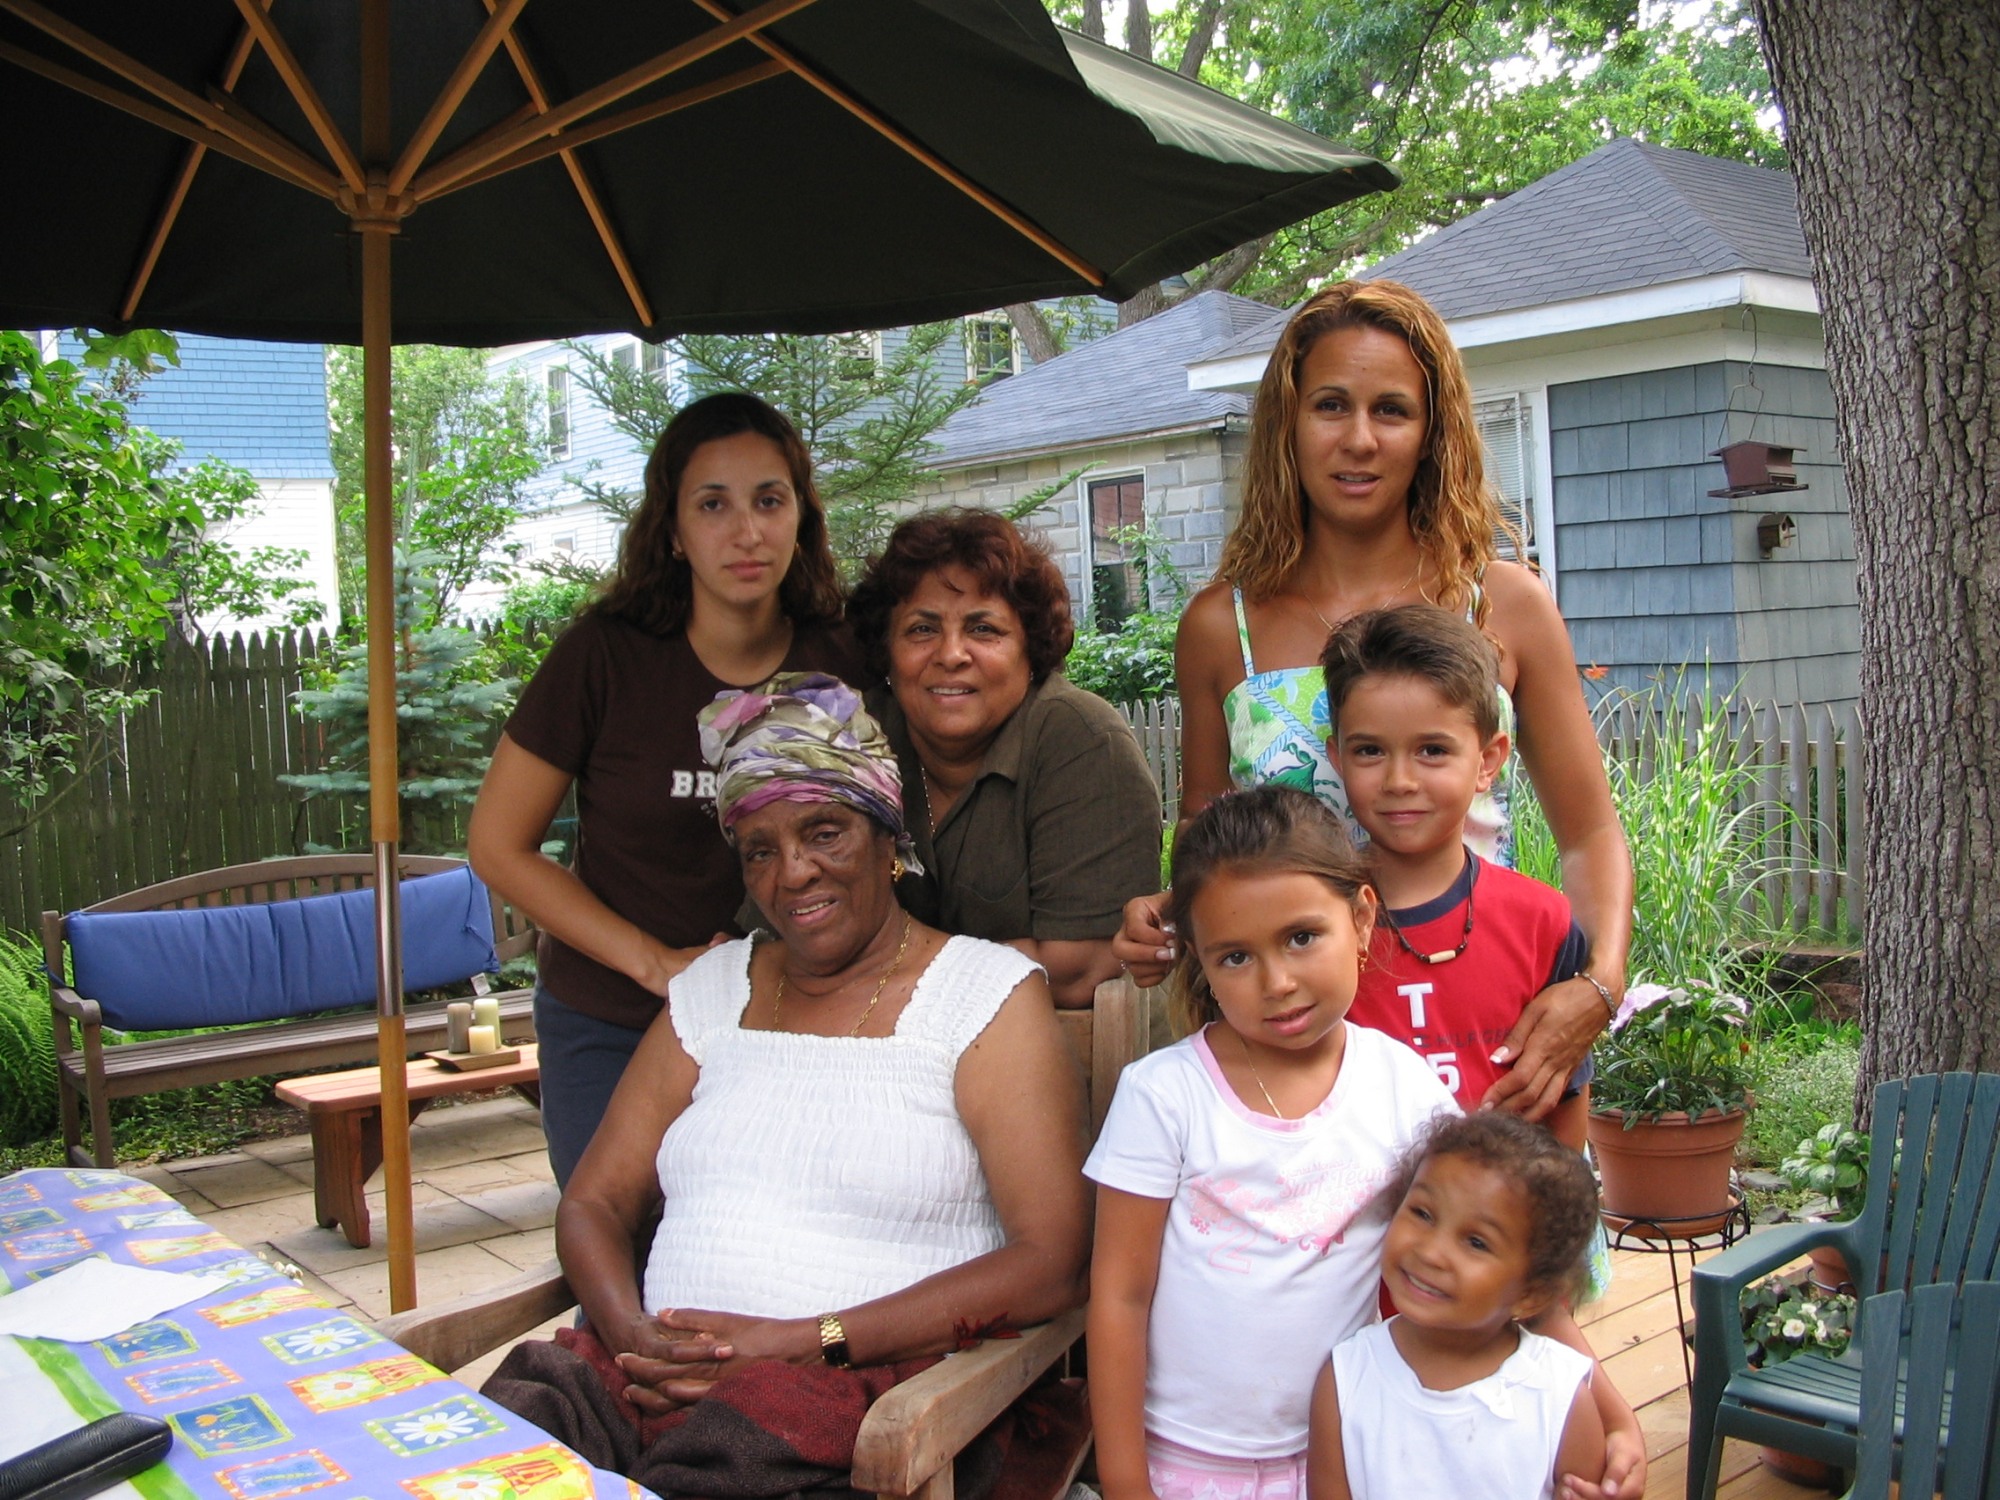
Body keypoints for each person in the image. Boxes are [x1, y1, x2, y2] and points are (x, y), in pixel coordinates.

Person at [483, 674, 1090, 1493]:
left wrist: (813, 1340)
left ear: (887, 836)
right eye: (759, 850)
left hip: (852, 1406)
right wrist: (628, 1331)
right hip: (644, 1384)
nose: (792, 873)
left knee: (734, 1463)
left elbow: (1051, 1262)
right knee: (494, 1449)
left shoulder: (983, 997)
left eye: (825, 832)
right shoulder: (711, 990)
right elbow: (595, 1200)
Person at [1114, 279, 1632, 1124]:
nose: (1359, 440)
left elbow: (1591, 834)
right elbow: (1207, 840)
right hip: (1288, 1042)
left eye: (1391, 410)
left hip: (1475, 1019)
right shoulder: (1224, 626)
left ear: (1432, 434)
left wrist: (1596, 986)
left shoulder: (1501, 605)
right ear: (1289, 426)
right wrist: (1166, 913)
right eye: (1330, 405)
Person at [467, 392, 867, 1188]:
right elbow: (496, 846)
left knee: (763, 1260)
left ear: (800, 517)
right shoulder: (605, 657)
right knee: (617, 1260)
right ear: (674, 531)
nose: (746, 532)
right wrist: (654, 963)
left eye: (769, 500)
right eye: (712, 504)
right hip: (611, 1020)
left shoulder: (844, 658)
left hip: (793, 1021)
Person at [1084, 785, 1457, 1500]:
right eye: (1234, 958)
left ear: (1362, 918)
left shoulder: (1404, 1090)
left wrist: (1581, 1395)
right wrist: (1125, 1479)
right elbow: (1120, 1296)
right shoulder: (1165, 1097)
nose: (1277, 982)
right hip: (1181, 1466)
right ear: (1196, 958)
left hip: (1345, 1461)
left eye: (1301, 938)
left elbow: (1486, 1235)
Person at [847, 509, 1162, 1007]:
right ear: (887, 650)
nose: (951, 654)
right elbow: (794, 933)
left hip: (1060, 1056)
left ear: (1031, 650)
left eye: (984, 629)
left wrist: (877, 970)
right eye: (922, 630)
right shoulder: (851, 742)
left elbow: (1077, 969)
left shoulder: (1082, 743)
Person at [1322, 605, 1593, 1151]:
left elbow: (1564, 1119)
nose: (1400, 780)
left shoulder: (1542, 923)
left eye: (1432, 751)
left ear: (1487, 762)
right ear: (1337, 758)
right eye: (1370, 751)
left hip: (1510, 1227)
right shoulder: (1313, 928)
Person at [1308, 1112, 1606, 1500]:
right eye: (1423, 1213)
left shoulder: (1560, 1399)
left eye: (1476, 1242)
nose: (1431, 1252)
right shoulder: (1346, 1380)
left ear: (1530, 1293)